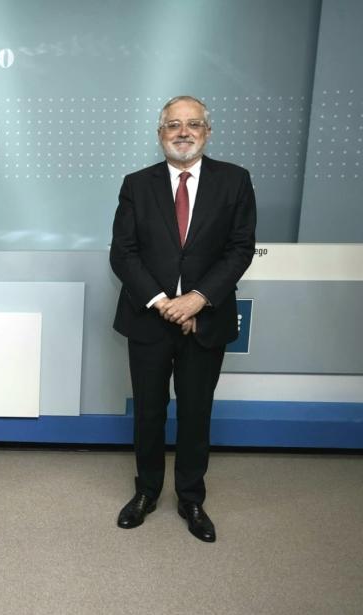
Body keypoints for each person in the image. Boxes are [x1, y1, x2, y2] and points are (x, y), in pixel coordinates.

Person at [109, 96, 256, 542]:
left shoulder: (234, 181)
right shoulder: (137, 184)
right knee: (149, 412)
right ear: (160, 134)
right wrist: (165, 303)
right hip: (149, 319)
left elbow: (240, 250)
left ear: (207, 132)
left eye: (193, 124)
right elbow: (123, 253)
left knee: (196, 413)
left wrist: (197, 300)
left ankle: (191, 498)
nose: (183, 132)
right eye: (173, 124)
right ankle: (146, 492)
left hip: (206, 320)